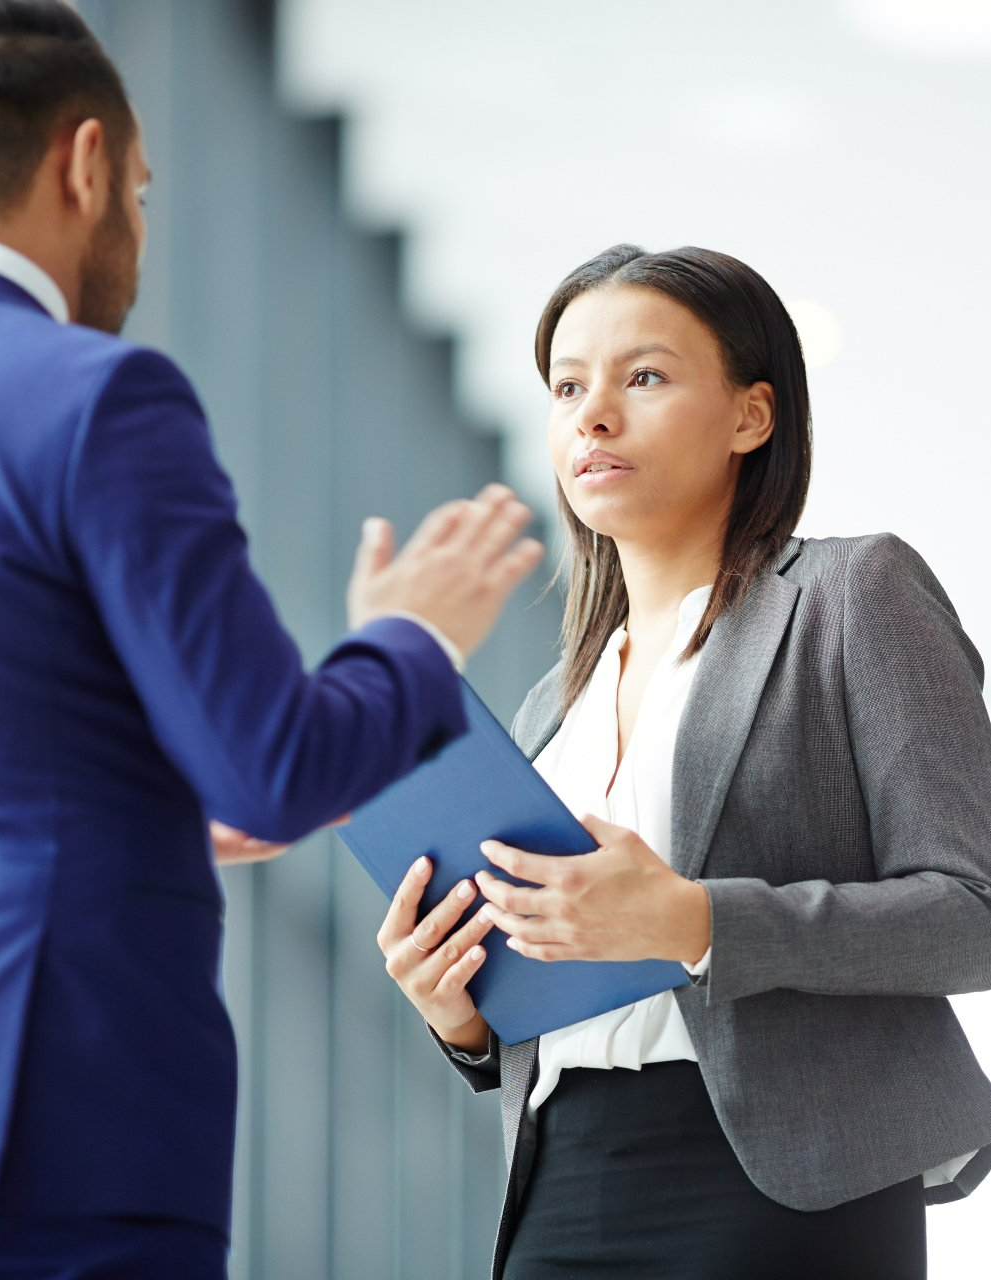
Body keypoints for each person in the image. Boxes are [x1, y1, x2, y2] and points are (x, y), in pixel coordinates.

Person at [0, 2, 544, 1277]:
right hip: (55, 1131)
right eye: (142, 196)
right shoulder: (100, 396)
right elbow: (277, 765)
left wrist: (122, 799)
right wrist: (414, 635)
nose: (138, 236)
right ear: (85, 164)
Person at [377, 243, 991, 1279]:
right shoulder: (549, 710)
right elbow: (553, 985)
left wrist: (696, 921)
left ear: (752, 415)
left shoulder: (850, 597)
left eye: (643, 376)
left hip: (784, 1181)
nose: (593, 414)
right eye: (568, 385)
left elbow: (972, 910)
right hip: (562, 1180)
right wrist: (461, 1013)